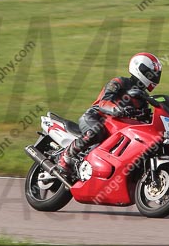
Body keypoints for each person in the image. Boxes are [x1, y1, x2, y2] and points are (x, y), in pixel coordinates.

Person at [58, 52, 162, 180]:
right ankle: (66, 156)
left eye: (156, 74)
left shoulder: (143, 99)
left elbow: (145, 120)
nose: (154, 77)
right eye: (151, 73)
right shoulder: (119, 82)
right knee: (96, 132)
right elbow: (104, 102)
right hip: (96, 117)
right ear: (139, 68)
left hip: (115, 128)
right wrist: (118, 109)